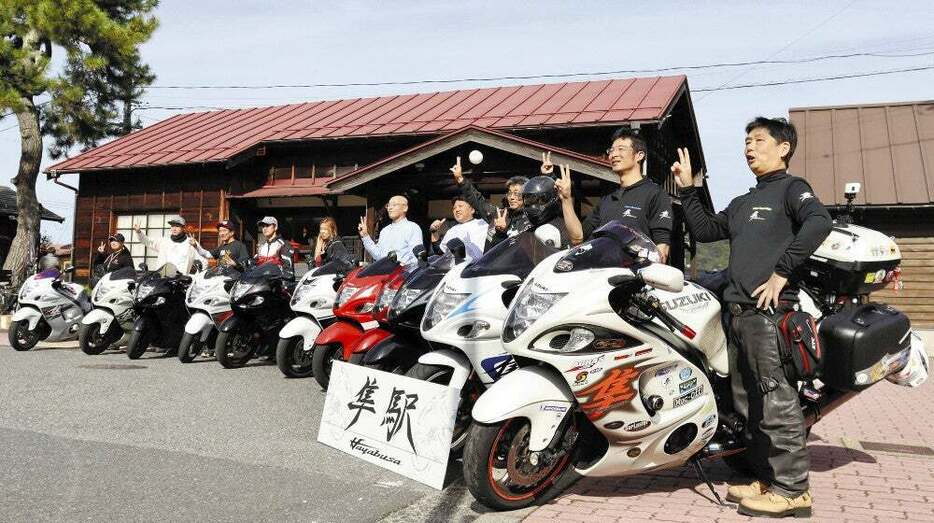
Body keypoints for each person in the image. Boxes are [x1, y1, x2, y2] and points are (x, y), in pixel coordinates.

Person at [673, 117, 832, 518]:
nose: (750, 147)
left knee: (775, 402)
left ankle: (794, 490)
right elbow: (707, 230)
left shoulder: (793, 190)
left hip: (769, 315)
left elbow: (820, 222)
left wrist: (782, 272)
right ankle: (767, 479)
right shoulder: (745, 202)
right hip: (738, 315)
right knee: (749, 407)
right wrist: (689, 189)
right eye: (746, 141)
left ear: (783, 148)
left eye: (759, 140)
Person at [555, 129, 673, 262]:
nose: (613, 154)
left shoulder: (655, 194)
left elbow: (662, 251)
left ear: (639, 155)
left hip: (635, 278)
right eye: (611, 150)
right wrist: (566, 199)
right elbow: (578, 238)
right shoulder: (608, 197)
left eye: (621, 149)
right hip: (601, 276)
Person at [452, 156, 533, 250]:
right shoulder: (498, 214)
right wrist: (461, 180)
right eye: (509, 193)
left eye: (516, 193)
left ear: (526, 195)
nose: (511, 197)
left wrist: (550, 176)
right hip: (489, 264)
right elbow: (478, 201)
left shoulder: (532, 219)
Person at [358, 195, 423, 269]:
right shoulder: (385, 231)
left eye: (394, 205)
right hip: (383, 275)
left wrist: (404, 268)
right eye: (388, 205)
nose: (390, 208)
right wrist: (365, 236)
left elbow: (417, 257)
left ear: (405, 208)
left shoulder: (413, 227)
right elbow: (378, 255)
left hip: (403, 276)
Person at [133, 216, 204, 274]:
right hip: (161, 279)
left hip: (180, 281)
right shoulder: (164, 241)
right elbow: (147, 241)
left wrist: (198, 277)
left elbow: (203, 261)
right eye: (172, 226)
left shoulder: (190, 243)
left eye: (177, 226)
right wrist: (139, 232)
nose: (174, 229)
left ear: (183, 228)